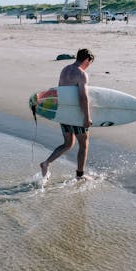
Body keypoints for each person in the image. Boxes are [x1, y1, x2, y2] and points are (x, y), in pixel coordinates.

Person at [40, 48, 94, 179]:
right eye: (89, 63)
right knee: (83, 144)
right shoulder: (81, 74)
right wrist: (87, 117)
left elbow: (60, 91)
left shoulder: (64, 70)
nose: (88, 66)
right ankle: (80, 176)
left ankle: (46, 163)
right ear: (87, 60)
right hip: (76, 115)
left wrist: (60, 112)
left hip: (64, 113)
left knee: (68, 143)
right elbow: (83, 97)